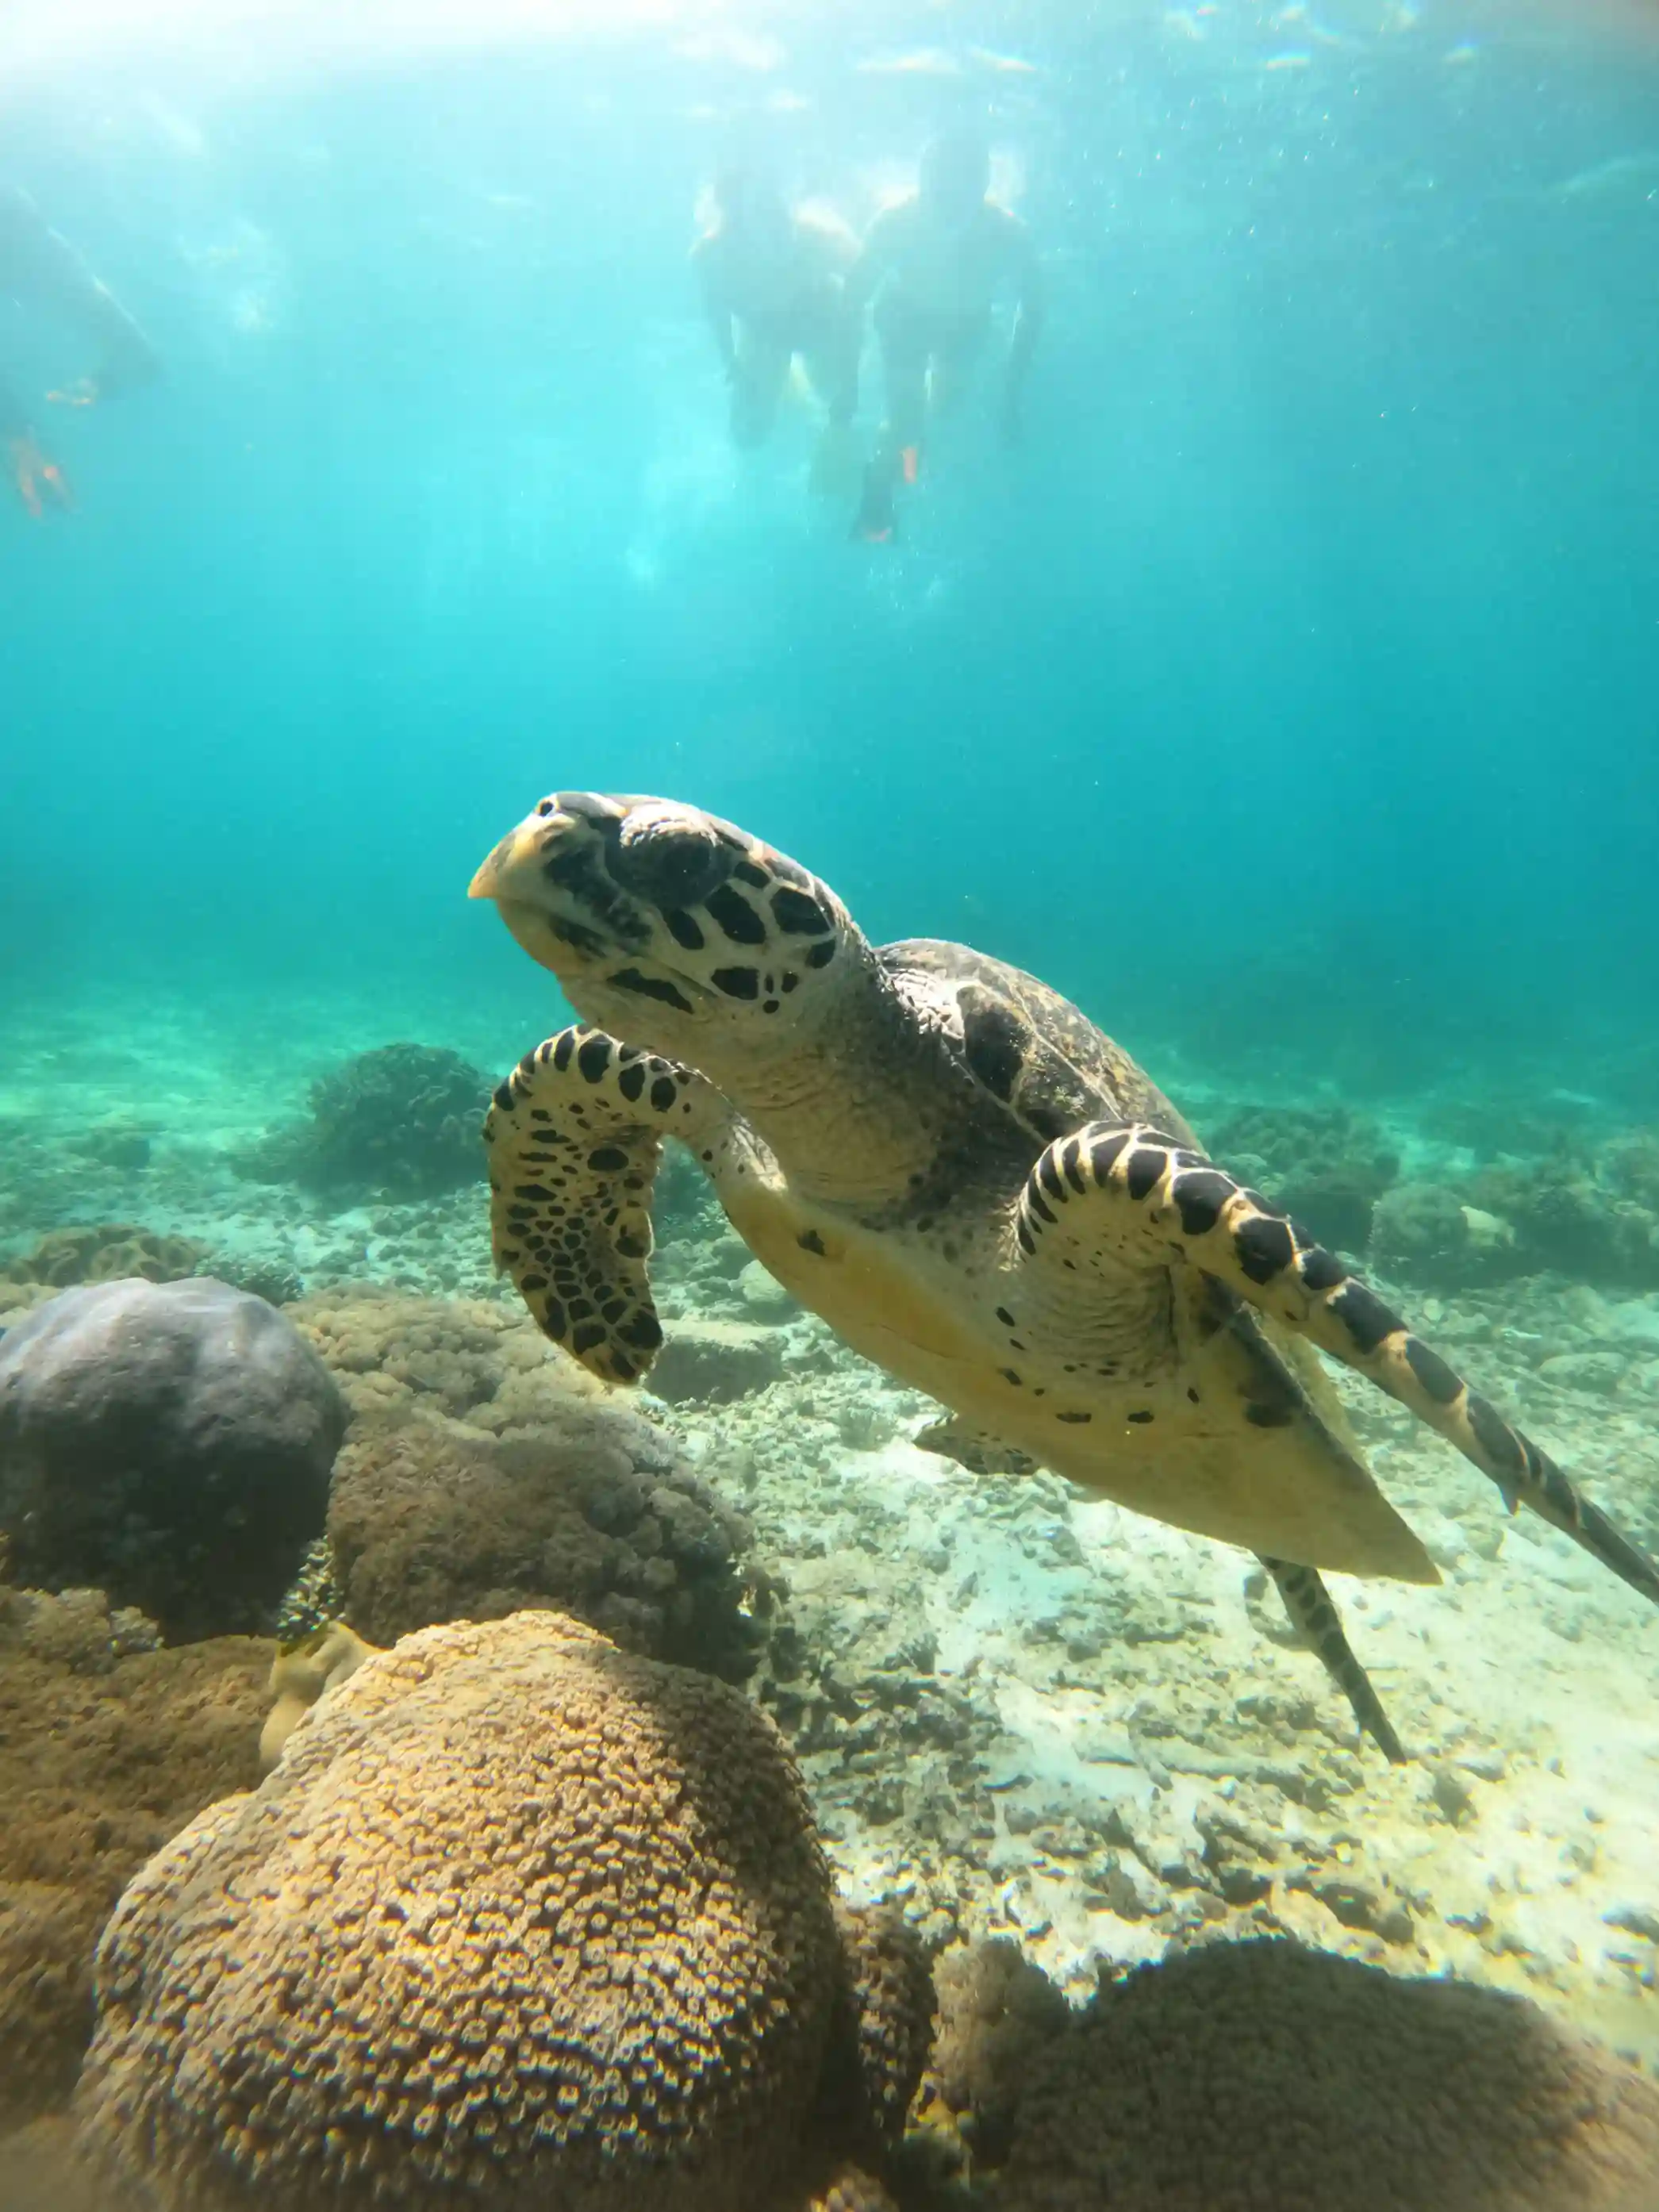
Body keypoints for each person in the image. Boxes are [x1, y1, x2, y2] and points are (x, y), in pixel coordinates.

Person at [838, 124, 1044, 542]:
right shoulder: (895, 222)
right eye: (939, 191)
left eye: (960, 190)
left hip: (965, 326)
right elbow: (853, 299)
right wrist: (846, 382)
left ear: (982, 186)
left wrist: (1011, 395)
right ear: (922, 183)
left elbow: (1034, 310)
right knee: (908, 422)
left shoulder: (1008, 234)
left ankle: (907, 462)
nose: (948, 206)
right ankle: (881, 499)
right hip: (906, 319)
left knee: (941, 409)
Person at [691, 161, 862, 490]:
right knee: (747, 429)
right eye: (765, 217)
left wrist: (852, 368)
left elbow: (864, 289)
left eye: (779, 214)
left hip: (822, 324)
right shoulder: (711, 256)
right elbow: (716, 311)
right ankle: (790, 402)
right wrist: (730, 361)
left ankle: (837, 447)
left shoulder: (821, 237)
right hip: (764, 331)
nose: (779, 228)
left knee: (839, 399)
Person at [0, 183, 159, 517]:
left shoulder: (39, 250)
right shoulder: (42, 252)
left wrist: (20, 437)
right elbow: (142, 358)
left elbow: (143, 360)